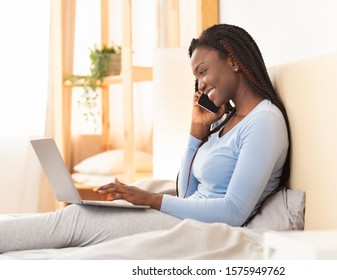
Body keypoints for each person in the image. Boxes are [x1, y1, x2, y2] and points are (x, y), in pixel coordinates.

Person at [0, 23, 291, 253]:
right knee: (77, 215)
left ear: (234, 60)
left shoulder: (264, 122)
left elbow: (232, 212)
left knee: (77, 220)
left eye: (203, 71)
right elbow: (188, 194)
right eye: (196, 78)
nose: (200, 84)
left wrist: (151, 200)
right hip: (189, 215)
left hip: (202, 226)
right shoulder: (228, 119)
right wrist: (195, 132)